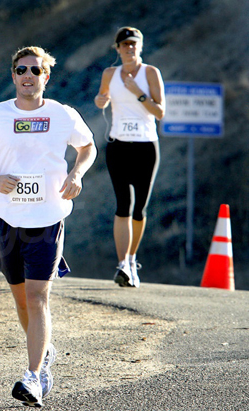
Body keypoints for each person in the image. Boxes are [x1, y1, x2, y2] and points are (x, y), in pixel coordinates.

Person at [0, 46, 97, 407]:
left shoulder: (62, 114)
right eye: (21, 70)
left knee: (39, 298)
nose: (28, 76)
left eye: (35, 71)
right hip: (6, 220)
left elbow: (88, 147)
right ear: (13, 76)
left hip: (48, 219)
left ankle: (34, 375)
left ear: (45, 77)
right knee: (22, 300)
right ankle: (44, 350)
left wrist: (77, 173)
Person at [94, 27, 165, 288]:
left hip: (146, 146)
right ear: (117, 49)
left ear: (140, 47)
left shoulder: (150, 73)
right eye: (124, 45)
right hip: (118, 145)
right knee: (122, 204)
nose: (129, 48)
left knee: (139, 208)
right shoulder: (109, 74)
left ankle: (132, 258)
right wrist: (101, 100)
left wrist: (139, 93)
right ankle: (123, 264)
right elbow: (102, 99)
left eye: (133, 44)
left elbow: (160, 112)